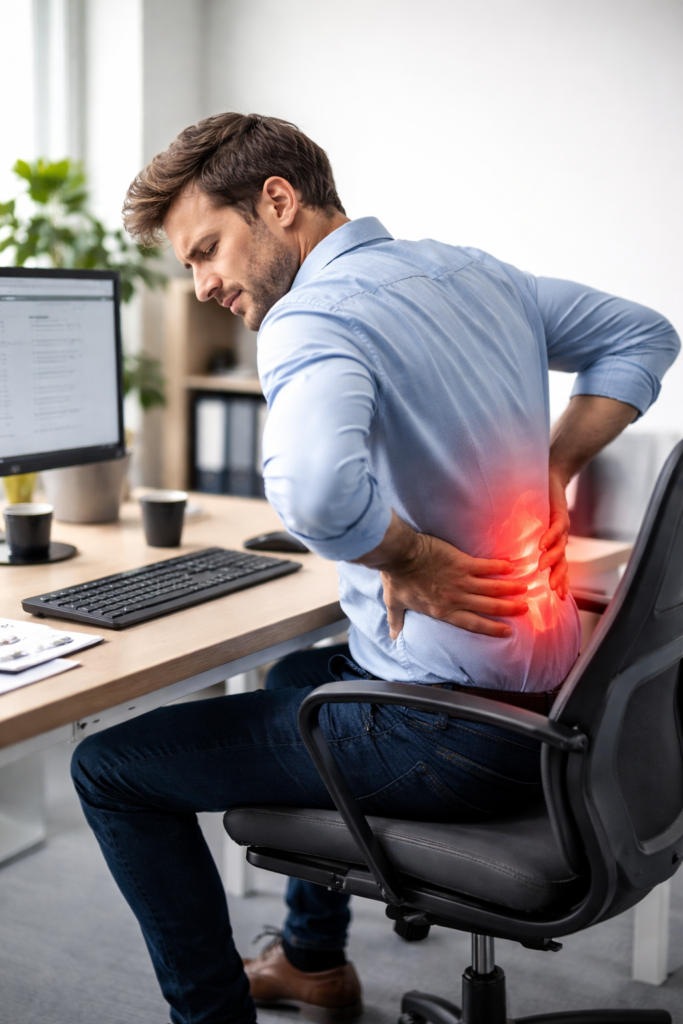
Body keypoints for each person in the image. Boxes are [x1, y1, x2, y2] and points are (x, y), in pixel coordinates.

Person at [71, 113, 680, 1024]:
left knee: (109, 767)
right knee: (296, 672)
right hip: (556, 705)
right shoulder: (478, 273)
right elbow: (644, 336)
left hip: (451, 738)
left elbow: (315, 495)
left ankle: (210, 1017)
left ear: (277, 202)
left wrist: (406, 553)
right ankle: (314, 962)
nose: (201, 286)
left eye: (207, 250)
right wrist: (554, 462)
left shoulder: (309, 315)